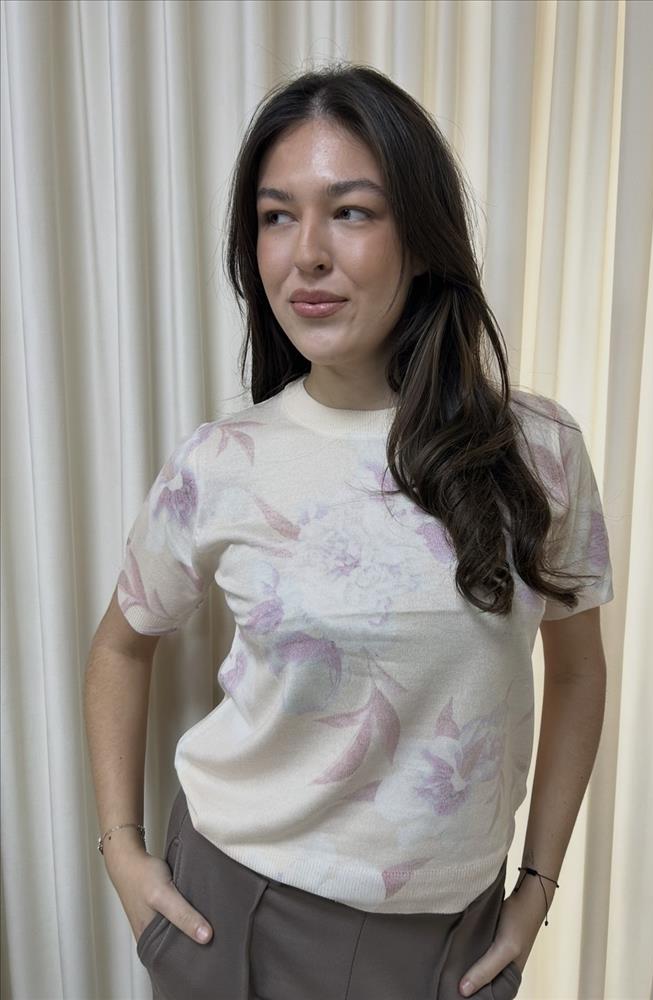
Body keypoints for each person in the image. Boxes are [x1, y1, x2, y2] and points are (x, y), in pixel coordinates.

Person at [84, 61, 614, 1000]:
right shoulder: (221, 462)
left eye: (351, 211)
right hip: (232, 912)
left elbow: (576, 670)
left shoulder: (537, 451)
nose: (307, 254)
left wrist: (535, 888)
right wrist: (121, 850)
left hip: (451, 942)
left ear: (422, 236)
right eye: (276, 216)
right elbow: (121, 648)